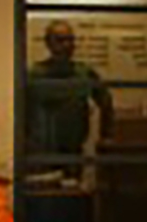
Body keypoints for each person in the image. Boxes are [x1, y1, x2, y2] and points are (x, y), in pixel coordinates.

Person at [25, 20, 114, 173]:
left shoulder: (83, 73)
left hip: (73, 153)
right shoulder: (35, 75)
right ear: (48, 43)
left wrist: (106, 136)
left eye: (70, 40)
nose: (66, 45)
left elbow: (106, 103)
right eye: (60, 40)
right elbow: (22, 111)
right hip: (41, 154)